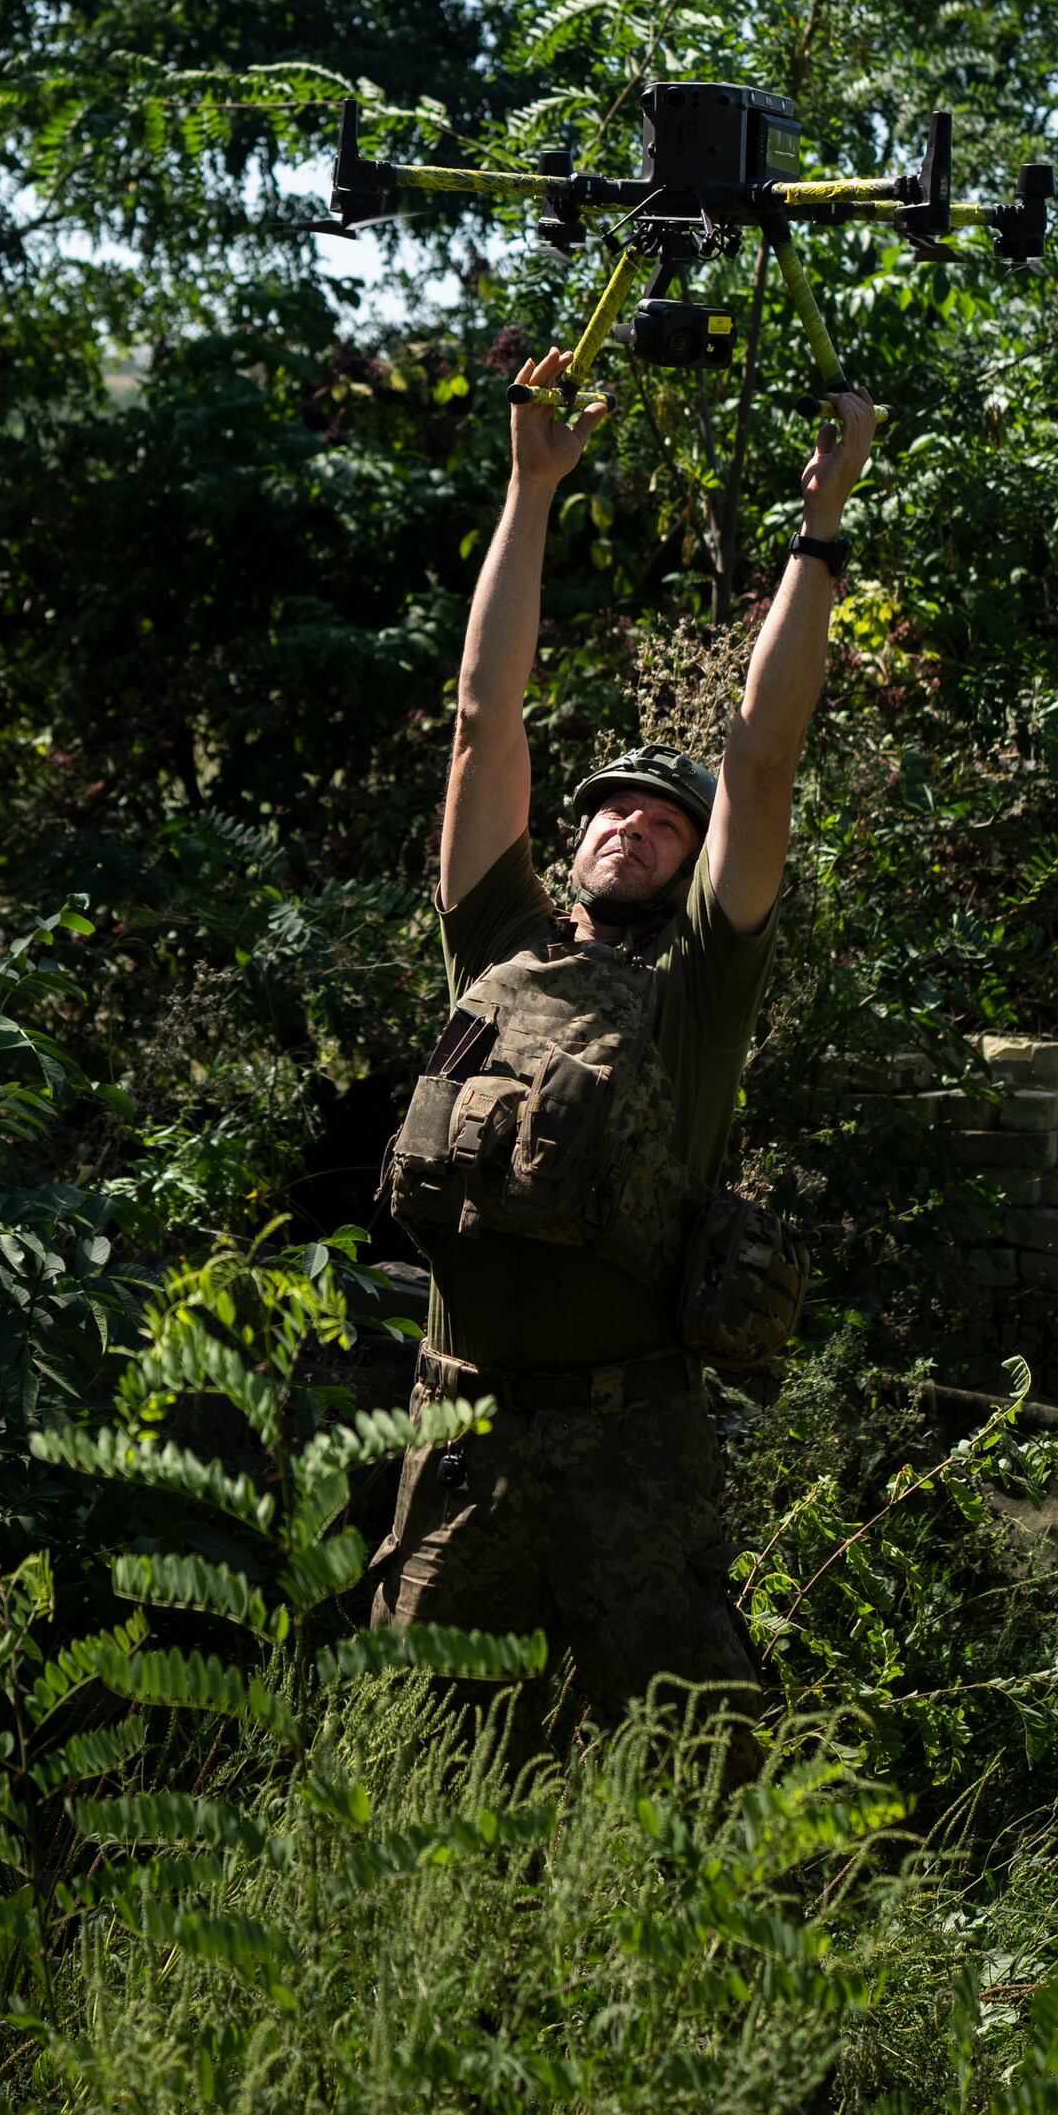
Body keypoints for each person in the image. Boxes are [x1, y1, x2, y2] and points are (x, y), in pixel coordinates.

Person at [366, 352, 880, 1714]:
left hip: (630, 1451)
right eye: (609, 807)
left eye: (665, 817)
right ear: (572, 835)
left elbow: (763, 755)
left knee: (697, 1768)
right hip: (458, 1435)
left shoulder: (701, 989)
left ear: (697, 856)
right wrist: (531, 487)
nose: (629, 822)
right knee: (419, 1759)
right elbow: (485, 718)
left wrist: (818, 528)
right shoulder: (500, 942)